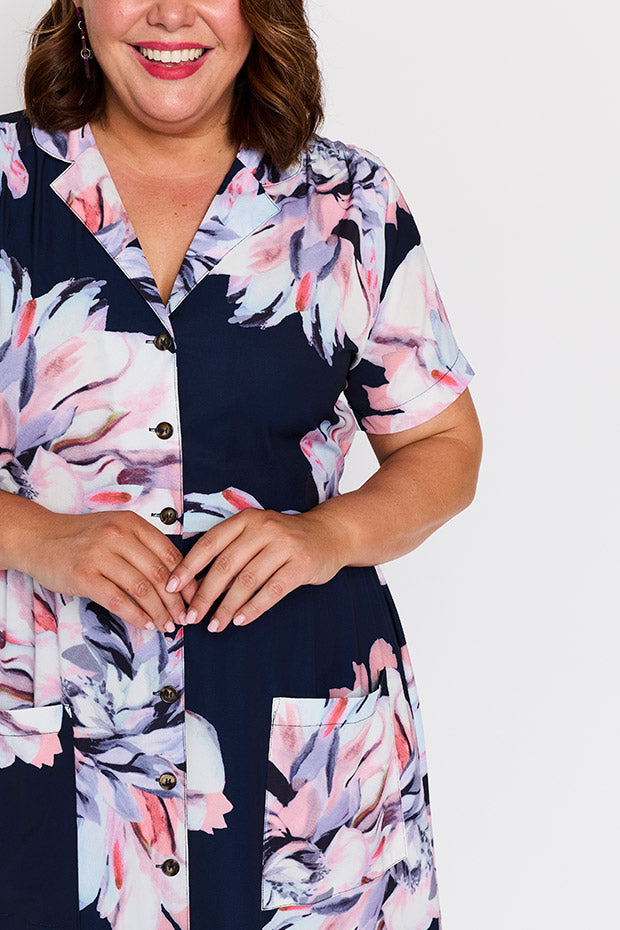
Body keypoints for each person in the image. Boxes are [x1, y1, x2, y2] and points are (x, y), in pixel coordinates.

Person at [0, 1, 482, 928]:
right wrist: (32, 536)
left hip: (301, 755)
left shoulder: (348, 201)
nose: (170, 13)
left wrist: (324, 536)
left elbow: (444, 447)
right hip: (43, 737)